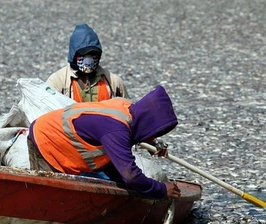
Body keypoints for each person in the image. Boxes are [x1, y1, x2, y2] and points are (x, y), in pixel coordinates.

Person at [27, 85, 181, 200]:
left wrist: (153, 145)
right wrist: (161, 189)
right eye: (155, 132)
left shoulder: (126, 108)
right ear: (148, 124)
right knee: (50, 198)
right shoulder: (116, 131)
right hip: (46, 139)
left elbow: (116, 163)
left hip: (62, 138)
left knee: (120, 181)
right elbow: (131, 175)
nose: (151, 138)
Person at [46, 23, 129, 103]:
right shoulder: (57, 82)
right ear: (74, 55)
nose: (88, 61)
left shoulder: (114, 82)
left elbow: (128, 111)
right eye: (83, 55)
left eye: (93, 55)